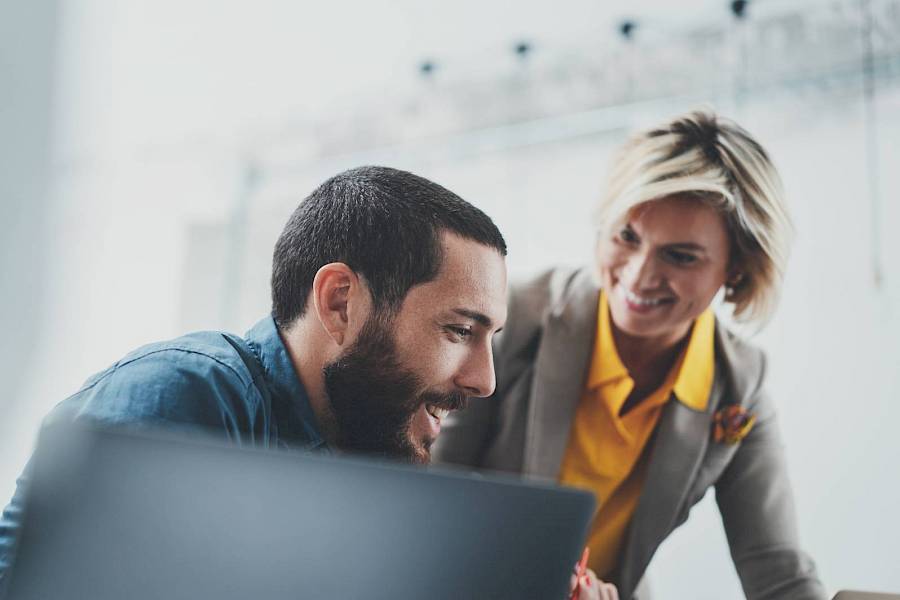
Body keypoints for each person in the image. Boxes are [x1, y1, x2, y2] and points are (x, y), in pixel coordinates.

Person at [0, 166, 513, 591]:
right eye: (460, 329)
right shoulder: (188, 396)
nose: (484, 380)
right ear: (340, 302)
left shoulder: (352, 446)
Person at [434, 111, 828, 600]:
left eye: (680, 256)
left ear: (738, 268)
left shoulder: (737, 391)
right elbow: (430, 497)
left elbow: (777, 570)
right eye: (627, 237)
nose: (640, 276)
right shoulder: (508, 322)